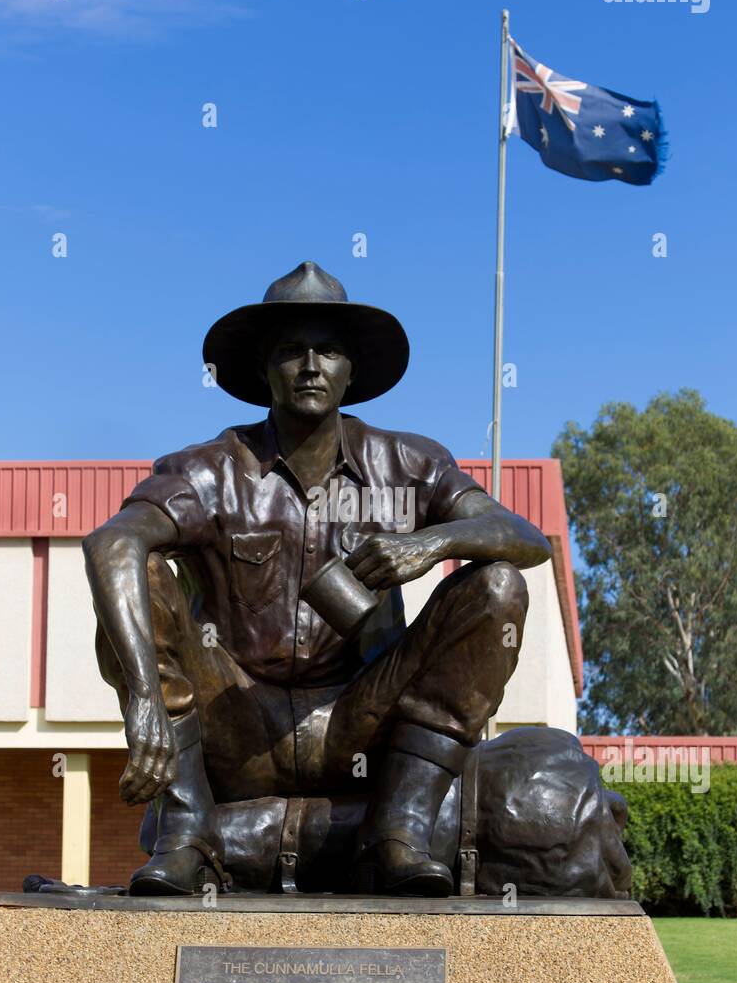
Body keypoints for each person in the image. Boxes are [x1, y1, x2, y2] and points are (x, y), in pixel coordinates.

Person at [84, 261, 551, 897]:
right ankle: (188, 831)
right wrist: (142, 694)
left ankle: (400, 829)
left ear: (352, 370)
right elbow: (112, 540)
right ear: (262, 370)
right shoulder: (209, 469)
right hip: (235, 725)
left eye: (328, 351)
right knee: (133, 577)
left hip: (357, 722)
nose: (310, 366)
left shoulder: (407, 463)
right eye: (290, 351)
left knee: (498, 585)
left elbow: (525, 539)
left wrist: (429, 544)